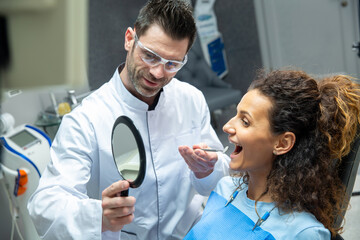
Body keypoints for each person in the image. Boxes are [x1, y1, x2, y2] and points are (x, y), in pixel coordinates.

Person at [27, 0, 229, 239]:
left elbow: (219, 177)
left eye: (172, 64)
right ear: (129, 39)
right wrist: (97, 215)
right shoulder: (86, 120)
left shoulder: (191, 100)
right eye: (150, 56)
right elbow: (44, 205)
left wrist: (208, 169)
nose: (157, 73)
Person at [184, 69, 360, 240]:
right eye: (236, 115)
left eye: (245, 122)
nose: (227, 127)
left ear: (282, 143)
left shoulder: (302, 232)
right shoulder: (224, 188)